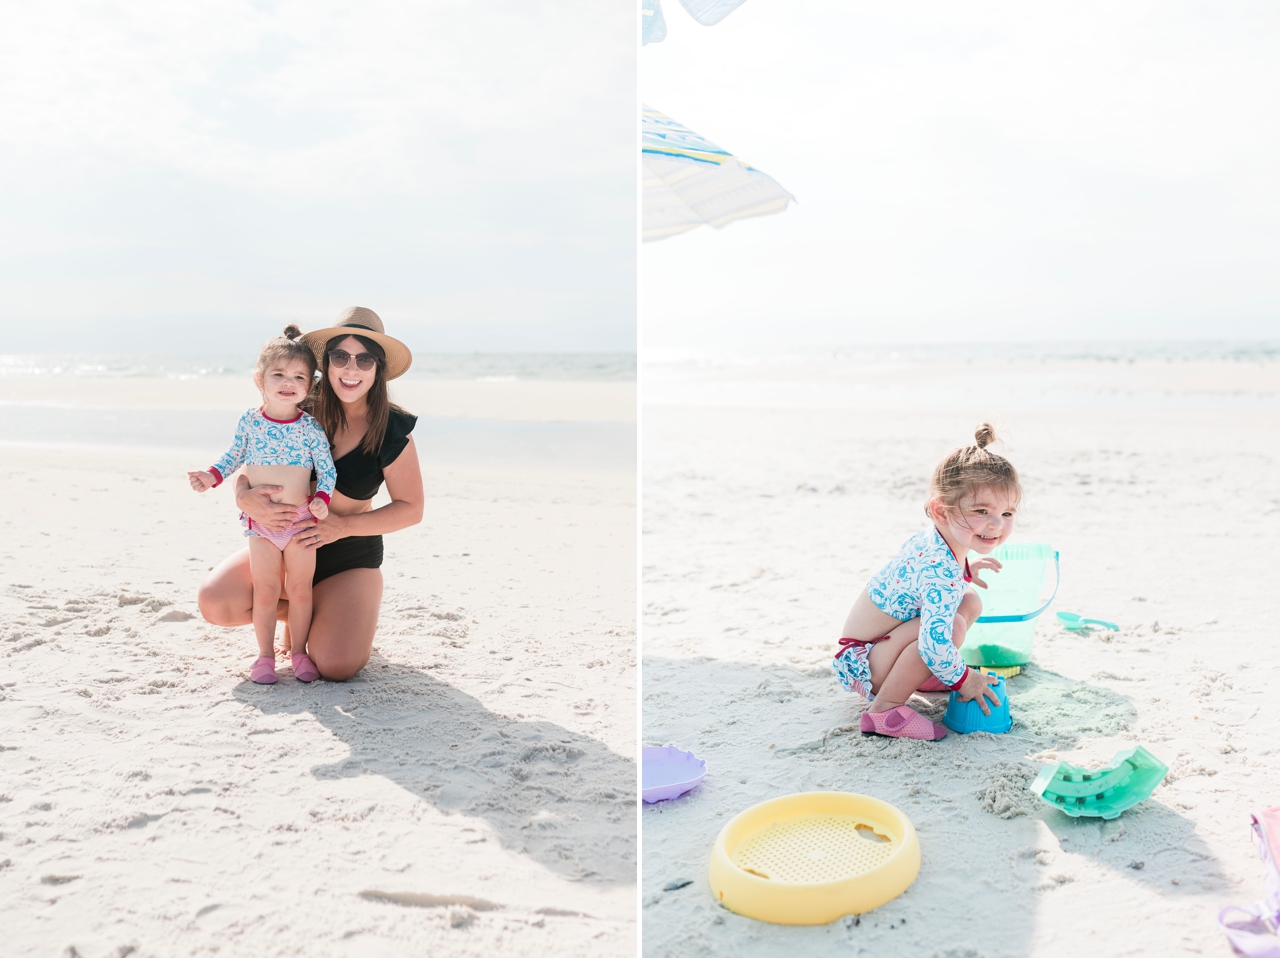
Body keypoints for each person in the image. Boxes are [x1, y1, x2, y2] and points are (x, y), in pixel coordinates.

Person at [197, 307, 424, 682]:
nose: (351, 370)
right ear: (326, 363)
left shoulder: (393, 429)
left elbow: (411, 509)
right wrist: (242, 494)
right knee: (215, 602)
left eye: (364, 359)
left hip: (348, 556)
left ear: (378, 368)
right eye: (340, 357)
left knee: (336, 664)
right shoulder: (301, 402)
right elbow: (249, 453)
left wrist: (343, 528)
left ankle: (336, 609)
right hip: (285, 540)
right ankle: (305, 608)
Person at [832, 424, 1016, 740]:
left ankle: (926, 676)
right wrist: (967, 681)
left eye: (1007, 513)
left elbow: (928, 585)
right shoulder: (940, 572)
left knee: (969, 600)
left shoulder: (940, 545)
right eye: (981, 510)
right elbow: (934, 639)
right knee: (949, 630)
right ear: (940, 511)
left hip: (876, 649)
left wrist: (967, 568)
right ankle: (884, 710)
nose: (996, 523)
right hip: (867, 663)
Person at [188, 325, 334, 685]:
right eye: (279, 374)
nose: (289, 382)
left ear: (310, 385)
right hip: (262, 527)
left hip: (300, 522)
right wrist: (211, 476)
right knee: (266, 591)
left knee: (301, 590)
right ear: (260, 380)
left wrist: (321, 500)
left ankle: (298, 653)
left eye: (299, 376)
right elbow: (234, 455)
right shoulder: (251, 421)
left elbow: (326, 469)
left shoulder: (310, 427)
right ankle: (265, 657)